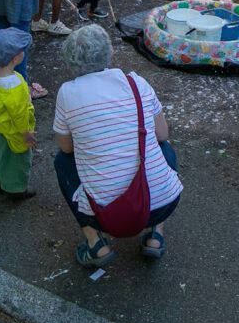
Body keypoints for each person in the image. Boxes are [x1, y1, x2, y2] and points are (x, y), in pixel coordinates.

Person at [53, 25, 183, 266]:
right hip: (163, 203)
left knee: (62, 161)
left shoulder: (67, 93)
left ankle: (95, 243)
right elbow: (163, 133)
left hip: (103, 214)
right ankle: (155, 235)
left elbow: (66, 148)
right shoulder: (136, 83)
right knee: (163, 149)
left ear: (70, 60)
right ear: (108, 53)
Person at [0, 27, 37, 200]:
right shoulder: (16, 86)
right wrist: (26, 134)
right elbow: (19, 116)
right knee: (16, 161)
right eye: (22, 50)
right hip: (13, 132)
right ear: (15, 57)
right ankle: (15, 189)